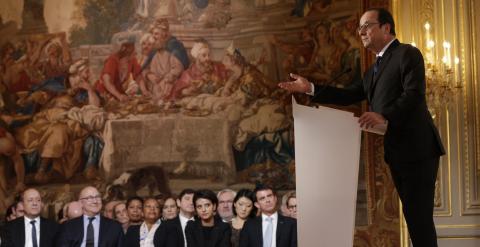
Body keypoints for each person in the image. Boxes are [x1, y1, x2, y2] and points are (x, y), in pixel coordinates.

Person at [278, 8, 445, 247]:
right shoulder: (373, 70)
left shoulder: (407, 53)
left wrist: (383, 115)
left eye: (367, 26)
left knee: (419, 219)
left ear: (386, 28)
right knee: (413, 217)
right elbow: (349, 95)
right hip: (398, 151)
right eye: (360, 28)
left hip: (418, 148)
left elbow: (414, 95)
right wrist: (310, 88)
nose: (361, 32)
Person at [56, 186, 124, 246]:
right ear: (80, 203)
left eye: (97, 197)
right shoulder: (68, 226)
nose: (95, 201)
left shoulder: (115, 226)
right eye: (90, 198)